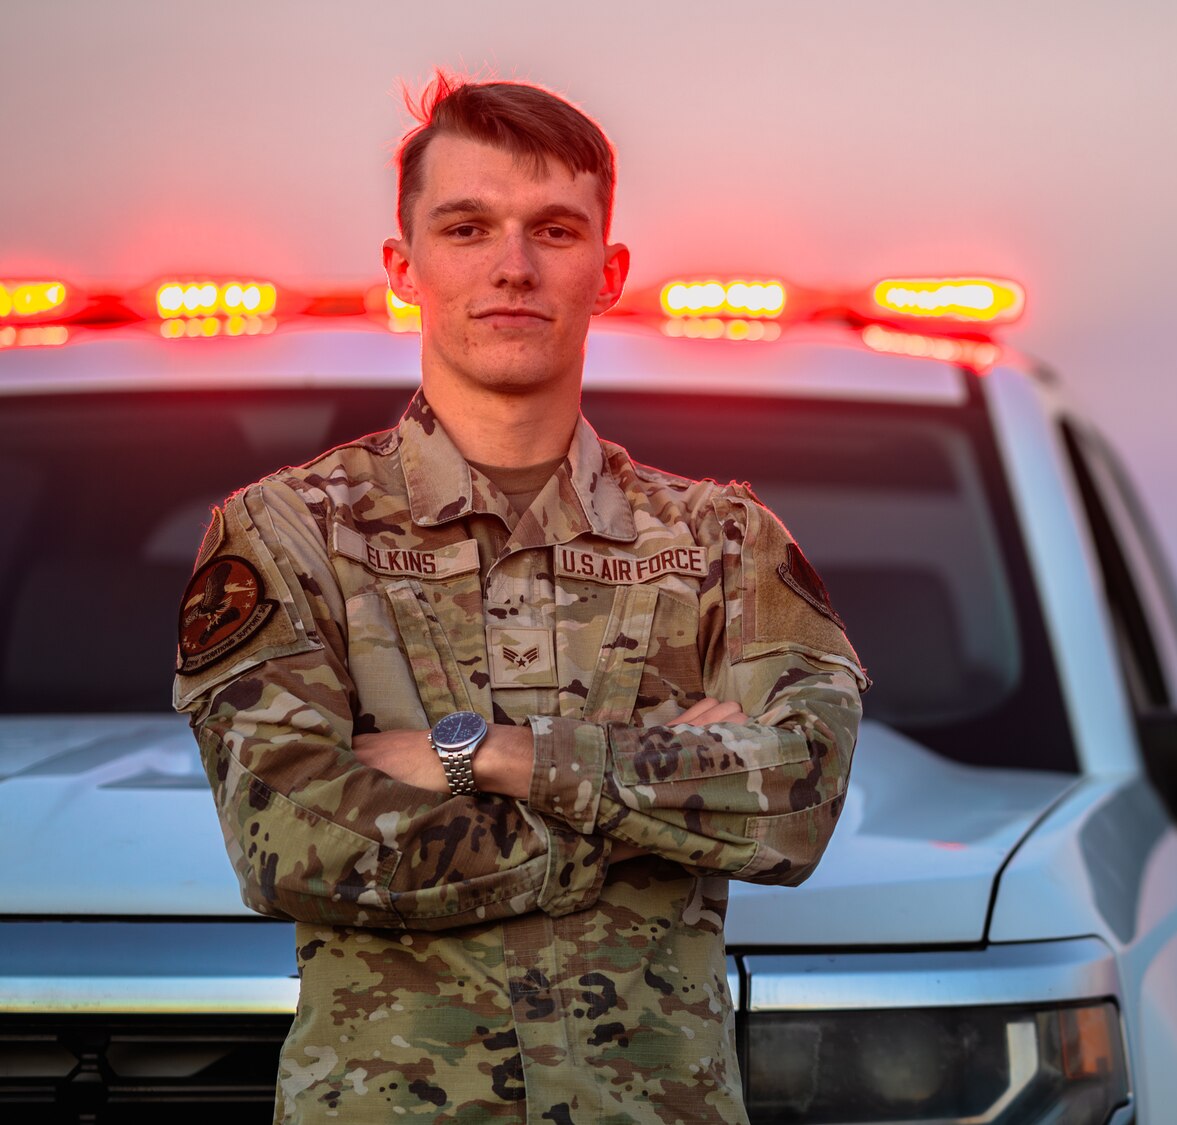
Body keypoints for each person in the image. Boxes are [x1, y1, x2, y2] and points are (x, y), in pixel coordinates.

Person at [171, 73, 867, 1124]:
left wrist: (484, 755)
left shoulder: (721, 545)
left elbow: (802, 798)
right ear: (403, 268)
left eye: (553, 229)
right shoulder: (288, 532)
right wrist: (649, 812)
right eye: (466, 227)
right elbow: (294, 833)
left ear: (609, 270)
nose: (512, 267)